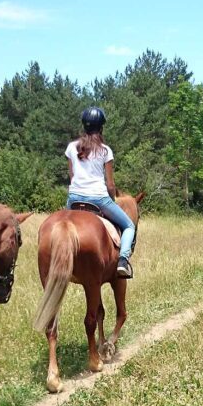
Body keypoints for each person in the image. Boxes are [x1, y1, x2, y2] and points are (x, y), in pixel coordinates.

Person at [66, 106, 136, 279]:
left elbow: (71, 175)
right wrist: (111, 201)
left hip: (74, 198)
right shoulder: (105, 150)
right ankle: (122, 261)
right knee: (129, 226)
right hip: (98, 198)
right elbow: (110, 184)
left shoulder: (71, 147)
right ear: (101, 127)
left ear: (84, 126)